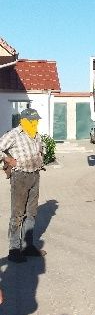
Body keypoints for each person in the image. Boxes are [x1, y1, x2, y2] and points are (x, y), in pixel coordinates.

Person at [0, 108, 46, 263]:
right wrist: (7, 160)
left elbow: (40, 149)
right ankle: (14, 250)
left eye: (37, 121)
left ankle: (28, 247)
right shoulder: (14, 134)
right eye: (33, 121)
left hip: (34, 175)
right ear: (24, 120)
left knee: (31, 213)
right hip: (20, 177)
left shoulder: (35, 135)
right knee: (17, 214)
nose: (36, 123)